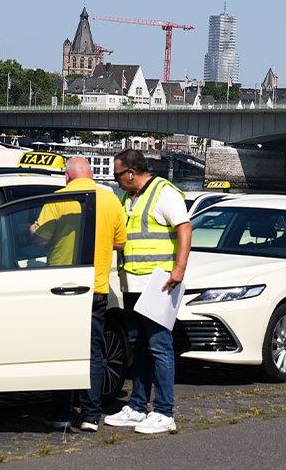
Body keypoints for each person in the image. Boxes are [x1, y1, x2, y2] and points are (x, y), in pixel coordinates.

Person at [31, 157, 127, 432]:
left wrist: (32, 230)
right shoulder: (111, 200)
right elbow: (120, 242)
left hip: (61, 285)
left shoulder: (60, 198)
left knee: (61, 350)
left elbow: (41, 240)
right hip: (95, 285)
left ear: (67, 177)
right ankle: (90, 415)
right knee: (93, 351)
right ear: (93, 175)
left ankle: (60, 413)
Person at [103, 149, 191, 435]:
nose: (116, 181)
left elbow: (184, 228)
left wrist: (179, 269)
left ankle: (165, 412)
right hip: (132, 283)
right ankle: (139, 406)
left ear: (130, 172)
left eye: (118, 175)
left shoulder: (164, 193)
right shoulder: (129, 198)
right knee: (138, 345)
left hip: (158, 284)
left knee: (159, 346)